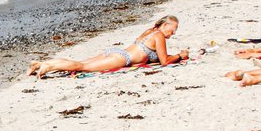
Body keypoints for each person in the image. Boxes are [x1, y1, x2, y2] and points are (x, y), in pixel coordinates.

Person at [28, 16, 190, 78]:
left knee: (79, 64)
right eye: (173, 29)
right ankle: (46, 67)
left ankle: (40, 64)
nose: (174, 33)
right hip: (122, 58)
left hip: (116, 52)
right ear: (165, 25)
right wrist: (180, 55)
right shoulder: (159, 35)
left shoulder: (151, 31)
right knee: (81, 66)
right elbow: (164, 61)